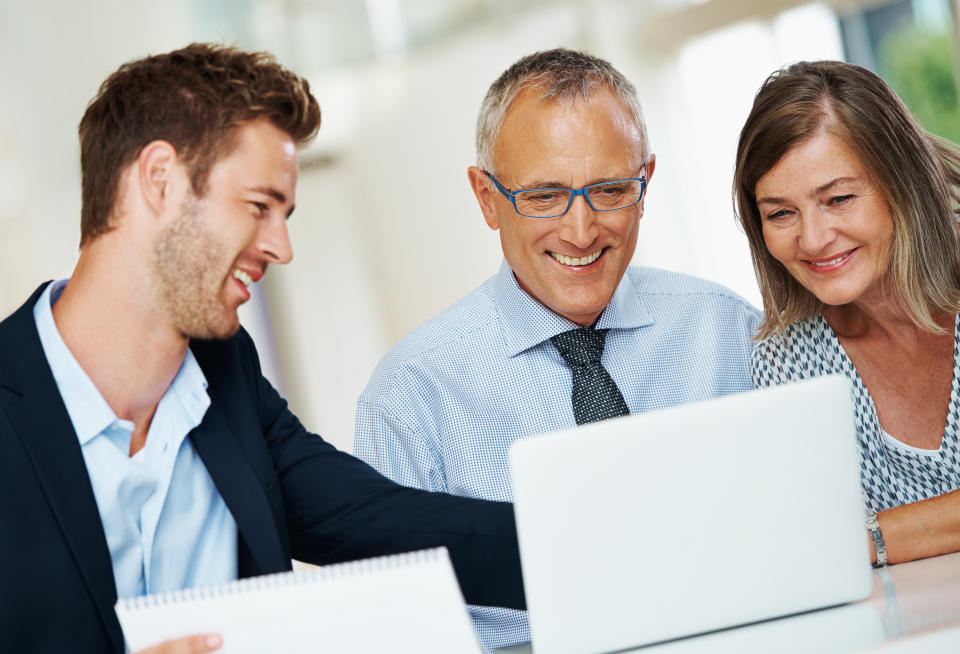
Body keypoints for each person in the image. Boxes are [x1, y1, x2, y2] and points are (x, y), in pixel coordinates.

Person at [0, 43, 527, 654]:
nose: (281, 247)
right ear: (159, 179)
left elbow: (389, 524)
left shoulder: (226, 378)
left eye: (285, 215)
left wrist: (601, 536)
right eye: (258, 207)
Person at [355, 48, 761, 649]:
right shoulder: (411, 397)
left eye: (610, 189)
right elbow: (396, 632)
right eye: (544, 195)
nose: (580, 230)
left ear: (645, 183)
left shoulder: (729, 331)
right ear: (487, 198)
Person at [734, 60, 960, 569]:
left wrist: (870, 538)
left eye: (838, 198)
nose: (812, 239)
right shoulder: (785, 362)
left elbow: (831, 545)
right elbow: (803, 546)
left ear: (900, 182)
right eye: (780, 213)